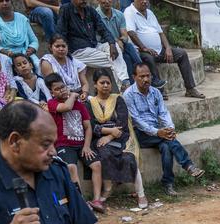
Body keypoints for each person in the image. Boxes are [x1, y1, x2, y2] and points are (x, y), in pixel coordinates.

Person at [123, 62, 203, 196]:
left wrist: (170, 128)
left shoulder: (155, 92)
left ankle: (168, 184)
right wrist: (158, 132)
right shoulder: (128, 95)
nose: (146, 79)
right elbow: (137, 120)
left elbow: (163, 113)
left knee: (167, 147)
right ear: (134, 77)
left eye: (148, 76)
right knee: (168, 141)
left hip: (156, 131)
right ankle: (188, 165)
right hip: (139, 133)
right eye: (142, 76)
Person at [87, 68, 146, 210]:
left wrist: (111, 135)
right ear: (95, 85)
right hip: (99, 139)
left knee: (129, 157)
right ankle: (107, 189)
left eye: (108, 82)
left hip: (121, 137)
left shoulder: (118, 99)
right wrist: (107, 132)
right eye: (102, 83)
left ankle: (141, 193)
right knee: (104, 154)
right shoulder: (90, 103)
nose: (106, 85)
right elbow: (91, 124)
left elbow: (122, 122)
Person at [45, 72, 101, 210]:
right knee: (71, 167)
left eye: (63, 87)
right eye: (57, 89)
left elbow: (88, 127)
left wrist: (87, 146)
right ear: (52, 93)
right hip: (64, 145)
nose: (62, 90)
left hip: (81, 144)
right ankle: (80, 202)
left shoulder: (79, 105)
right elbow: (66, 107)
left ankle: (97, 200)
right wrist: (73, 95)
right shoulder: (52, 103)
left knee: (97, 164)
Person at [124, 0, 203, 98]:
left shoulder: (150, 13)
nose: (145, 2)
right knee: (148, 58)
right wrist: (144, 48)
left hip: (159, 50)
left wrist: (168, 48)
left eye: (146, 0)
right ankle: (159, 91)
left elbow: (161, 33)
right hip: (142, 51)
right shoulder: (129, 12)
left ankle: (190, 89)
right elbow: (131, 33)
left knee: (182, 54)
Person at [57, 0, 129, 87]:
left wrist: (112, 43)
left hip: (94, 46)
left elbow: (103, 29)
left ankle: (124, 82)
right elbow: (61, 33)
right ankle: (124, 85)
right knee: (114, 58)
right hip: (78, 50)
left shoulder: (90, 10)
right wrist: (66, 55)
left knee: (115, 48)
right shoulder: (66, 9)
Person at [95, 0, 147, 90]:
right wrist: (116, 41)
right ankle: (141, 76)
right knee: (126, 57)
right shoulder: (95, 15)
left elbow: (125, 35)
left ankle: (141, 75)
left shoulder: (119, 14)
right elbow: (102, 36)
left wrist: (121, 41)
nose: (107, 1)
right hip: (104, 45)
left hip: (120, 44)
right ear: (98, 1)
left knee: (129, 48)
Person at [0, 0, 39, 67]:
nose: (5, 3)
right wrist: (7, 53)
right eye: (1, 1)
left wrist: (30, 50)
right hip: (1, 55)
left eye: (7, 0)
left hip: (24, 53)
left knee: (37, 65)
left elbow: (34, 40)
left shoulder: (21, 18)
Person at [40, 33, 87, 100]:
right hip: (60, 97)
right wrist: (73, 96)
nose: (61, 49)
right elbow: (54, 86)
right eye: (57, 46)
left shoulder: (74, 61)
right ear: (50, 47)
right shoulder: (47, 62)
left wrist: (85, 93)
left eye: (63, 46)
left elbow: (84, 83)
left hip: (78, 94)